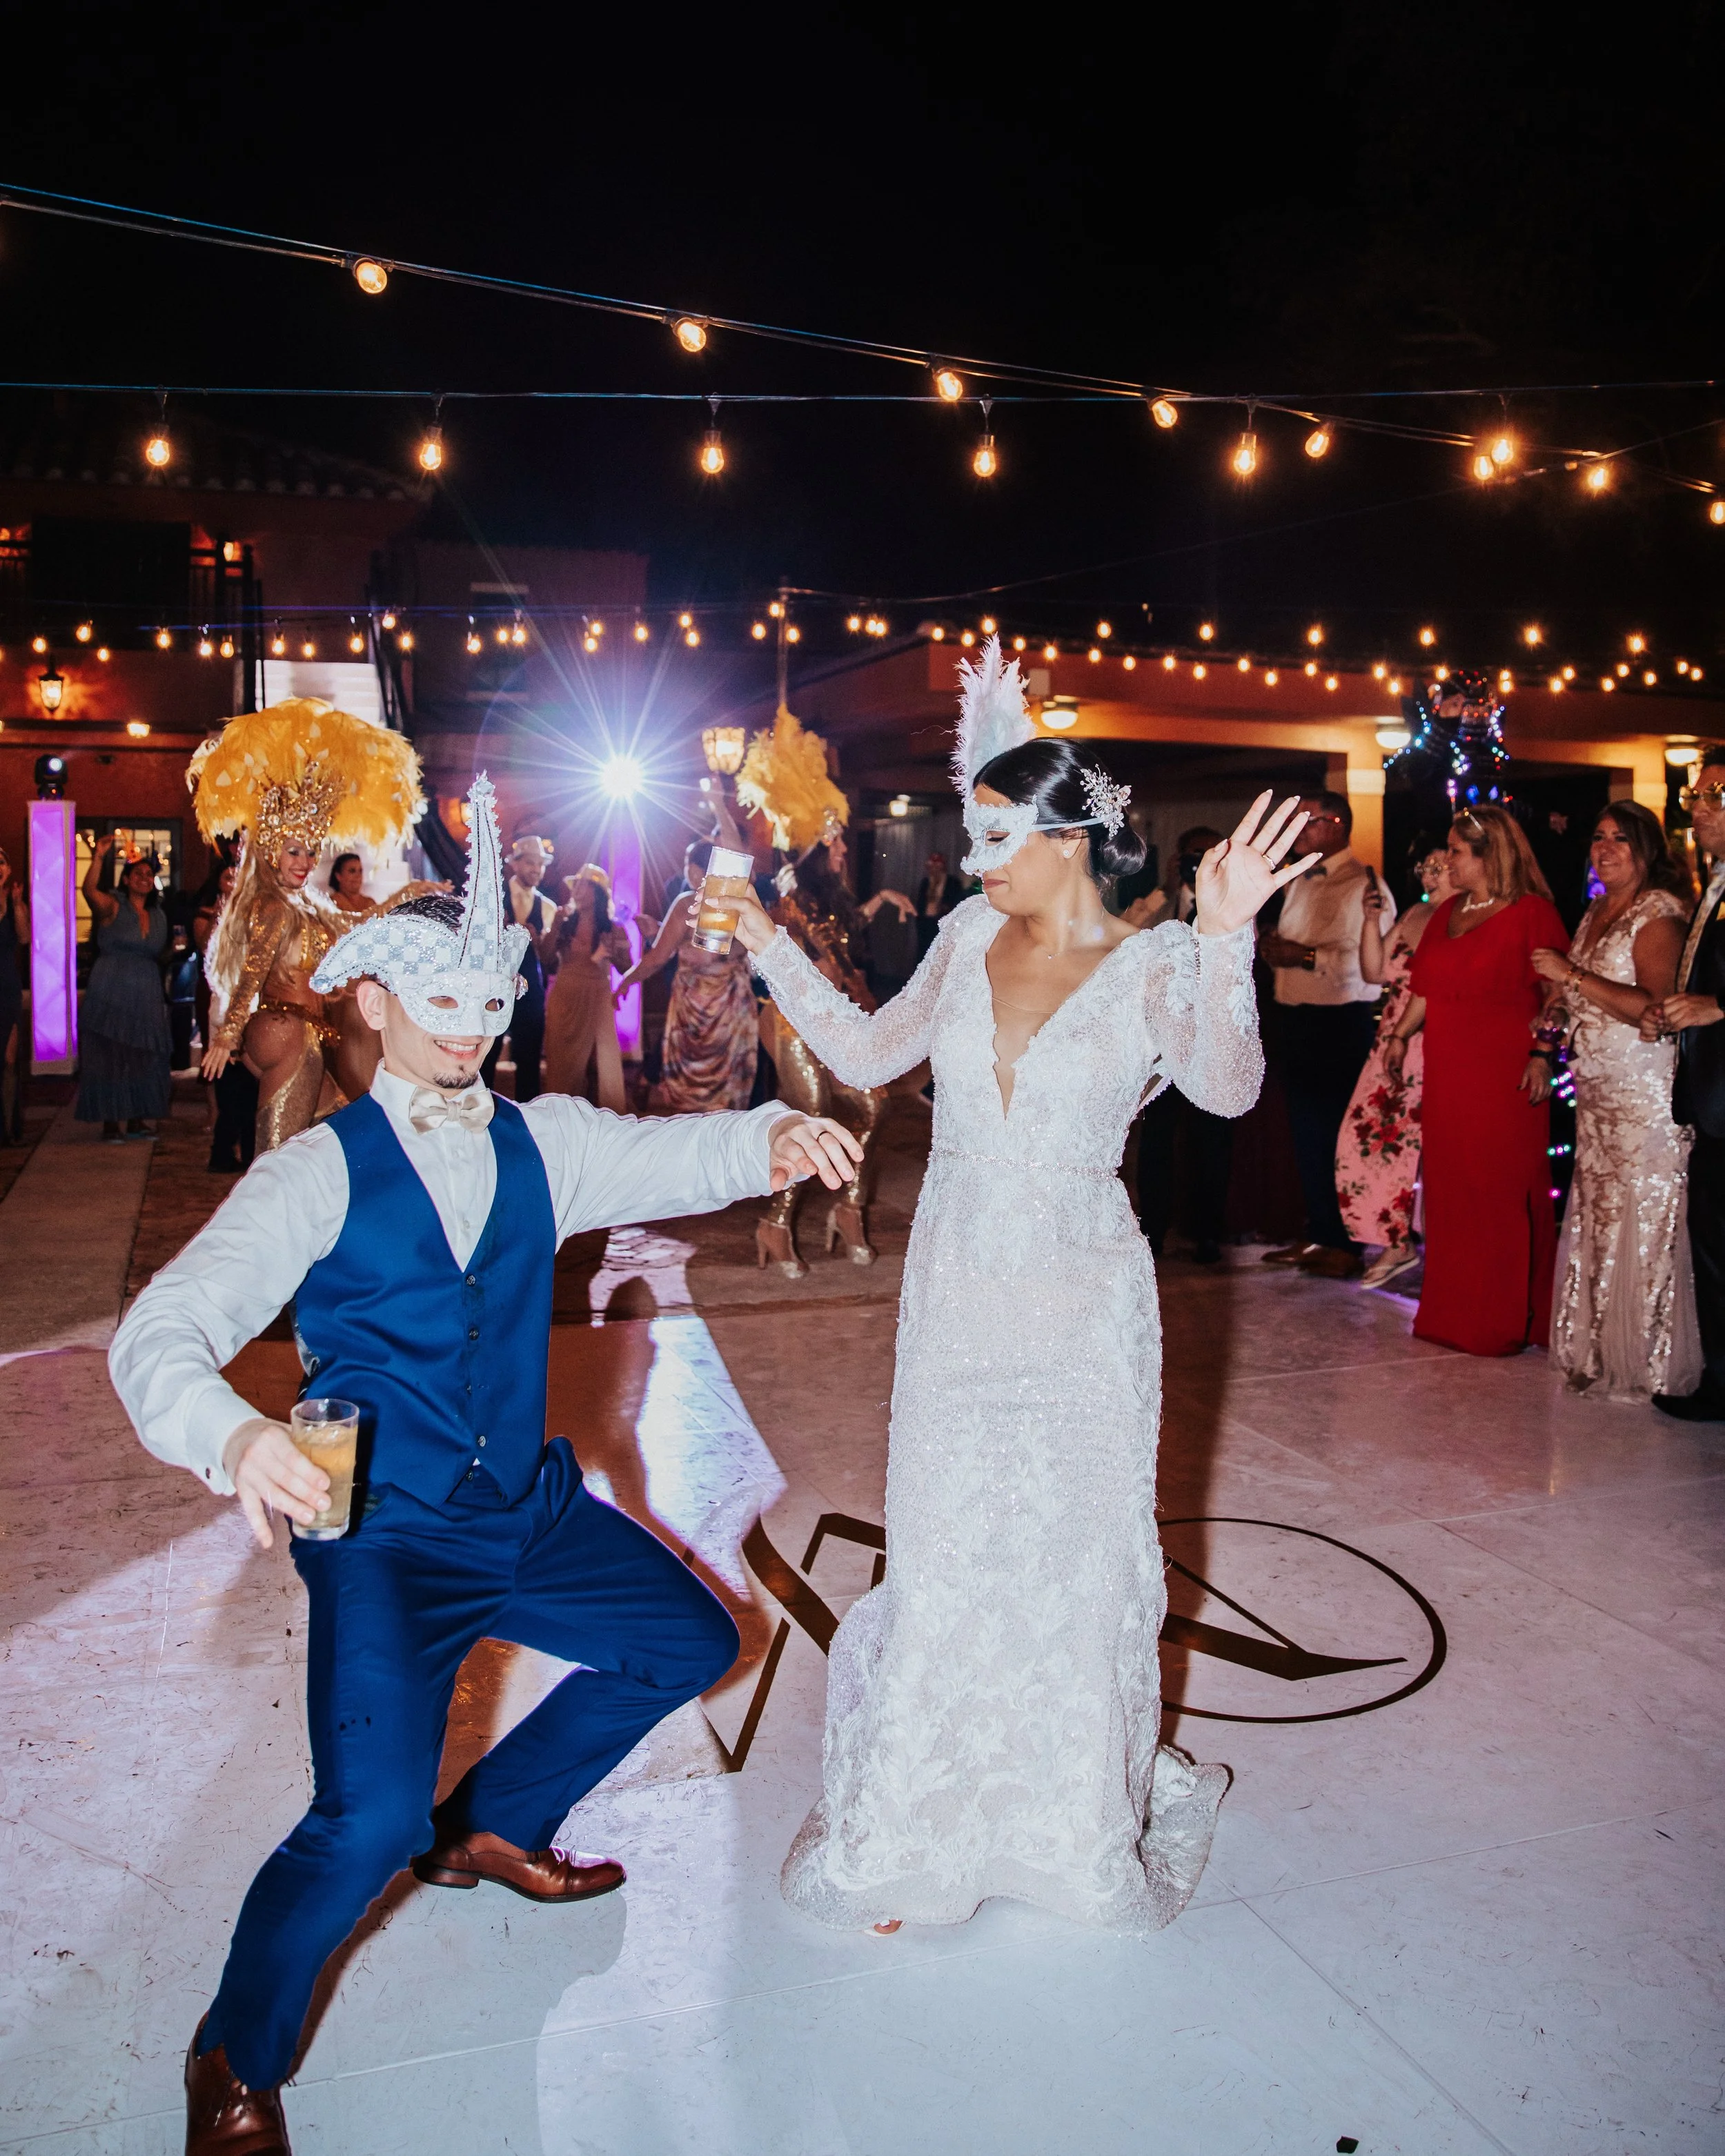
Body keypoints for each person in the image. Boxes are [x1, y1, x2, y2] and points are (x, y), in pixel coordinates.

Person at [108, 778, 861, 2156]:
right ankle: (233, 2045)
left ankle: (494, 1823)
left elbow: (662, 1151)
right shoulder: (311, 1176)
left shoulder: (542, 1139)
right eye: (440, 1006)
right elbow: (161, 1329)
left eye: (486, 1006)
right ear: (378, 1007)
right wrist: (238, 1432)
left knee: (689, 1633)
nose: (470, 1033)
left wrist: (769, 1137)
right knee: (365, 1814)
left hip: (521, 1509)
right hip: (383, 1536)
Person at [731, 638, 1314, 1939]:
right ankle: (929, 1810)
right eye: (971, 830)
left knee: (1070, 1553)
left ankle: (1063, 1819)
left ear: (1068, 840)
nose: (973, 855)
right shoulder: (956, 936)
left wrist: (1225, 942)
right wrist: (770, 946)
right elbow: (873, 1050)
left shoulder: (1161, 964)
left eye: (995, 833)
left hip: (1082, 1299)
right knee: (945, 1547)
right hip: (956, 1293)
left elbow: (1225, 1088)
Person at [193, 699, 426, 1151]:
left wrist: (406, 895)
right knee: (277, 1159)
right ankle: (265, 1221)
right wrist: (226, 1035)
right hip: (289, 1033)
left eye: (311, 851)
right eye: (295, 851)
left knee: (338, 1136)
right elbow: (253, 974)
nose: (306, 862)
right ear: (272, 851)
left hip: (301, 1033)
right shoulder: (275, 907)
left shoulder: (301, 903)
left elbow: (355, 921)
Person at [1385, 805, 1570, 1356]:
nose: (1446, 860)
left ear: (1489, 854)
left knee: (1500, 1189)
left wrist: (1543, 1053)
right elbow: (1426, 987)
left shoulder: (1532, 913)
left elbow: (1556, 995)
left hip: (1505, 1071)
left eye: (1456, 851)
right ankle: (1454, 1313)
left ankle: (1505, 1319)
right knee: (1453, 1188)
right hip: (1450, 1070)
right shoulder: (1446, 915)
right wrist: (1399, 1036)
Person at [735, 704, 913, 1275]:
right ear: (814, 847)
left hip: (835, 1013)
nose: (842, 851)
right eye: (834, 844)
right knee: (811, 1110)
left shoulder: (831, 897)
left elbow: (842, 940)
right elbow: (794, 959)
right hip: (789, 1018)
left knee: (873, 1102)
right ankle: (777, 1220)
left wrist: (882, 901)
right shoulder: (789, 897)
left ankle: (849, 1209)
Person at [1532, 800, 1697, 1398]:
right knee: (1598, 1213)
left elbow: (1654, 1007)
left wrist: (1573, 978)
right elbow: (1592, 993)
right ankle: (1598, 1347)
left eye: (1619, 839)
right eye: (1597, 837)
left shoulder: (1658, 915)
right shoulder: (1599, 909)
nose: (1603, 848)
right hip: (1598, 1091)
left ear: (1647, 849)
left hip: (1642, 1093)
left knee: (1641, 1214)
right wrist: (1558, 1003)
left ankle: (1649, 1360)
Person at [1256, 792, 1388, 1278]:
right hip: (1294, 1015)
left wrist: (1306, 957)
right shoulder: (1301, 879)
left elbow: (1371, 967)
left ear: (1336, 824)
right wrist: (1274, 948)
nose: (1298, 830)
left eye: (1305, 822)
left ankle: (1347, 1243)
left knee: (1338, 1135)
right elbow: (1295, 947)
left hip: (1339, 1021)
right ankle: (1318, 1233)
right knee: (1305, 1132)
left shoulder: (1364, 883)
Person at [1642, 751, 1725, 1418]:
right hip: (1713, 1101)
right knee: (1714, 1245)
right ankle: (1721, 1383)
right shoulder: (1715, 884)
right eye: (1696, 797)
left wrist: (1718, 1005)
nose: (1698, 809)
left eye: (1715, 797)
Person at [1335, 836, 1455, 1286]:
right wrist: (1370, 920)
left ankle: (1421, 1244)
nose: (1430, 874)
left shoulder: (1466, 919)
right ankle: (1395, 1239)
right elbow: (1374, 972)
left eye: (1441, 865)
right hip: (1392, 1040)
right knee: (1362, 1138)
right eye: (1426, 866)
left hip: (1436, 1042)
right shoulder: (1414, 914)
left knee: (1422, 1152)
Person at [1134, 823, 1228, 1259]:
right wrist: (1168, 889)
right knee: (1156, 1140)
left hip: (1209, 1040)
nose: (1199, 863)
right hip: (1159, 1044)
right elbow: (1128, 942)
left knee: (1211, 1140)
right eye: (1192, 855)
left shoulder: (1231, 904)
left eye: (1207, 854)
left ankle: (1209, 1233)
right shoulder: (1161, 903)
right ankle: (1151, 1231)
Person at [613, 840, 758, 1112]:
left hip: (696, 1008)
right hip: (732, 1006)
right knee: (727, 1090)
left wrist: (626, 981)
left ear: (694, 871)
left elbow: (658, 958)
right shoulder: (741, 904)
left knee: (693, 1092)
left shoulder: (688, 903)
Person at [74, 839, 172, 1142]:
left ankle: (136, 1119)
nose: (144, 878)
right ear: (127, 880)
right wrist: (99, 858)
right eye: (138, 874)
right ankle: (110, 1122)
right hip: (112, 984)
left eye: (148, 875)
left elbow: (162, 951)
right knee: (110, 1053)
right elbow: (89, 891)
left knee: (142, 1053)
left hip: (146, 986)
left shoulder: (159, 914)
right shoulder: (113, 905)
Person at [542, 865, 633, 1111]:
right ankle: (560, 1116)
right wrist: (555, 927)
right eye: (577, 886)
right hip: (566, 994)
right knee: (562, 1062)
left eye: (584, 885)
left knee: (604, 1062)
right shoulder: (564, 921)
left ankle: (607, 1120)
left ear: (598, 893)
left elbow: (628, 967)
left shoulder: (614, 928)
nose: (578, 891)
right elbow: (545, 958)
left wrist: (613, 953)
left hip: (598, 996)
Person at [482, 833, 560, 1101]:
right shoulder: (493, 897)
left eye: (541, 864)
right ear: (515, 864)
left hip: (531, 994)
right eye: (530, 862)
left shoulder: (548, 908)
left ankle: (529, 1119)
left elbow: (550, 960)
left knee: (529, 1063)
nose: (537, 869)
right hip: (493, 990)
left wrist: (539, 943)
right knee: (486, 1056)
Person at [195, 863, 259, 1174]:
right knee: (232, 1086)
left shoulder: (257, 912)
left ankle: (248, 1153)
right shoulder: (220, 917)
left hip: (252, 1007)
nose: (234, 882)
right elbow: (208, 952)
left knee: (250, 1089)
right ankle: (223, 1152)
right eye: (227, 878)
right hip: (226, 1006)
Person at [0, 840, 30, 1143]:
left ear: (7, 870)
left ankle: (8, 1130)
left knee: (9, 1061)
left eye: (1, 862)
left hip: (6, 987)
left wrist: (19, 903)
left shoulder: (14, 902)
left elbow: (24, 937)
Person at [913, 849, 964, 960]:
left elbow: (958, 903)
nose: (934, 869)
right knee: (923, 953)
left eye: (937, 866)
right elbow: (920, 904)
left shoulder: (953, 883)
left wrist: (946, 908)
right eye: (931, 867)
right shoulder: (925, 882)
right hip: (925, 924)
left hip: (942, 925)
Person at [327, 852, 374, 918]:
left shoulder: (370, 903)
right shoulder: (331, 904)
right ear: (338, 876)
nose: (358, 876)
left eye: (360, 871)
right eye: (352, 871)